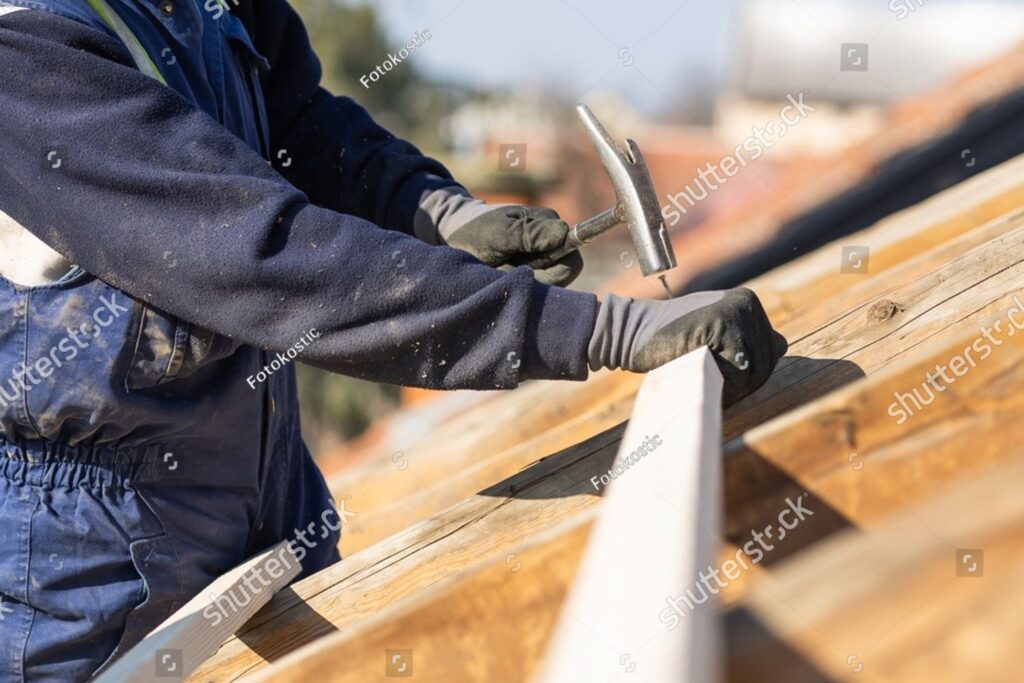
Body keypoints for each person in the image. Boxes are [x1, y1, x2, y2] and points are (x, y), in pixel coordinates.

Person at [0, 0, 787, 677]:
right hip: (88, 573)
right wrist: (602, 329)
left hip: (267, 498)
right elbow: (269, 261)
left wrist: (436, 211)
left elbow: (299, 125)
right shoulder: (24, 49)